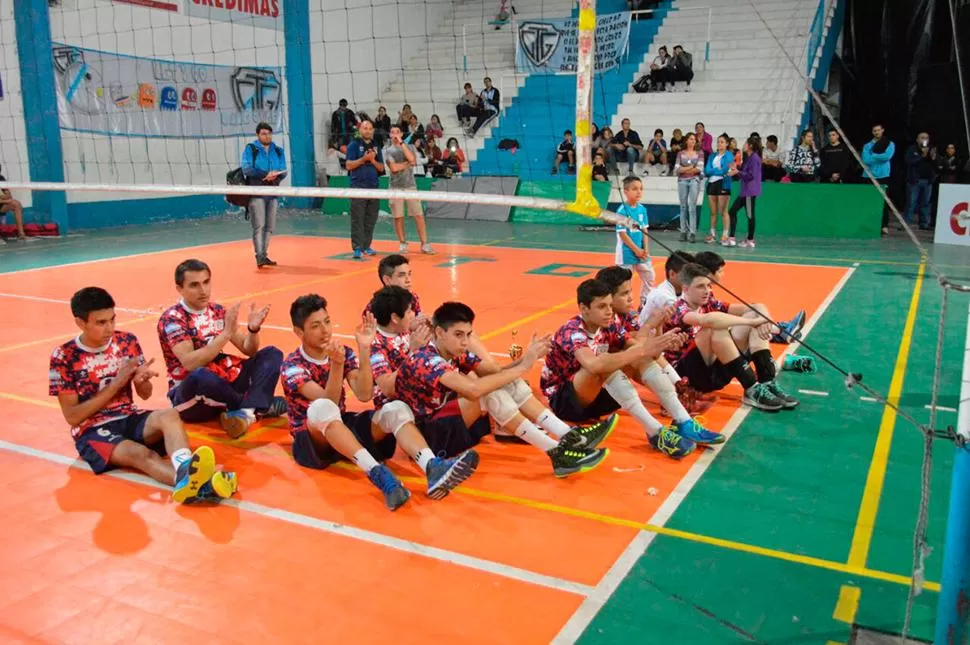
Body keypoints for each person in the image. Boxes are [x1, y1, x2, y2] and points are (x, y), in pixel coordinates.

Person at [280, 294, 478, 511]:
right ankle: (378, 474)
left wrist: (364, 348)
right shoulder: (292, 365)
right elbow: (329, 402)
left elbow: (364, 393)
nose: (325, 330)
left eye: (327, 322)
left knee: (395, 408)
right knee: (321, 409)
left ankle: (432, 466)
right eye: (316, 326)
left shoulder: (342, 352)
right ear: (299, 332)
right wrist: (337, 367)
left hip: (342, 427)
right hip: (311, 440)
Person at [50, 287, 237, 503]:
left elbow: (145, 395)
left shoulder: (126, 341)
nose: (109, 328)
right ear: (80, 323)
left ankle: (186, 468)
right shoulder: (63, 356)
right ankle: (203, 485)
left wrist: (142, 382)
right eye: (101, 323)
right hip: (92, 430)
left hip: (129, 417)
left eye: (112, 319)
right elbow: (73, 417)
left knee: (169, 415)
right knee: (140, 454)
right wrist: (118, 382)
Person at [395, 302, 614, 477]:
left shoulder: (454, 351)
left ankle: (567, 436)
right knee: (491, 392)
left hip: (447, 422)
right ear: (440, 333)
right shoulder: (426, 358)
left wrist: (527, 359)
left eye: (468, 335)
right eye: (459, 335)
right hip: (427, 435)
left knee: (503, 381)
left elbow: (495, 372)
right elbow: (472, 389)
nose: (465, 341)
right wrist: (524, 367)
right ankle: (557, 451)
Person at [540, 279, 699, 459]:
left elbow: (640, 350)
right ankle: (655, 431)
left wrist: (661, 343)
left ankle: (683, 420)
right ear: (584, 309)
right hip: (566, 402)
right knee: (603, 363)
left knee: (635, 358)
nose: (609, 311)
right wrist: (643, 346)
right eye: (601, 306)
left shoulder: (610, 324)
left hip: (597, 399)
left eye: (609, 305)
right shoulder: (572, 330)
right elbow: (593, 365)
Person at [158, 259, 285, 438]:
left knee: (272, 354)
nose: (203, 290)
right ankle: (256, 406)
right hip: (192, 396)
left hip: (223, 383)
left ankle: (246, 412)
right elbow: (190, 363)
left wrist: (253, 330)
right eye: (194, 285)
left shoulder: (217, 310)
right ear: (180, 289)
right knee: (200, 375)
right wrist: (225, 334)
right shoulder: (172, 319)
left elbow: (248, 349)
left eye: (206, 282)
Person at [595, 265, 724, 437]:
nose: (630, 298)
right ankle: (658, 431)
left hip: (611, 394)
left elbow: (646, 350)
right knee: (629, 360)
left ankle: (682, 415)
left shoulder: (623, 317)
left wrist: (660, 333)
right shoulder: (601, 321)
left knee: (641, 356)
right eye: (624, 294)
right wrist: (651, 325)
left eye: (630, 292)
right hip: (583, 400)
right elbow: (636, 351)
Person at [663, 263, 797, 411]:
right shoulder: (678, 309)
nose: (707, 291)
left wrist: (764, 319)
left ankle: (767, 381)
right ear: (686, 288)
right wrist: (753, 322)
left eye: (709, 285)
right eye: (701, 286)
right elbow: (708, 320)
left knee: (754, 314)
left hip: (712, 372)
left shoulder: (709, 302)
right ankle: (751, 387)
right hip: (688, 378)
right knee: (714, 329)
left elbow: (755, 307)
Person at [692, 251, 805, 345]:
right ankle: (780, 331)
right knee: (749, 323)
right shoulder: (696, 297)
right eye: (720, 271)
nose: (723, 274)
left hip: (719, 337)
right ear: (707, 274)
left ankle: (779, 331)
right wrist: (756, 321)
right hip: (711, 344)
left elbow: (753, 307)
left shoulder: (709, 296)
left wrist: (763, 319)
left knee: (756, 311)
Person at [241, 122, 287, 268]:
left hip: (273, 192)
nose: (267, 136)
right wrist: (264, 175)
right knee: (259, 225)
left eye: (269, 133)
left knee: (270, 226)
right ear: (258, 135)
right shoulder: (251, 149)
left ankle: (264, 254)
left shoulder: (278, 150)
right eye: (263, 133)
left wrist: (276, 176)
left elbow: (284, 170)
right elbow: (246, 169)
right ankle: (259, 255)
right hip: (257, 191)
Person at [383, 125, 435, 254]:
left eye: (397, 132)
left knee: (419, 215)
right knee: (398, 217)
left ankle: (424, 244)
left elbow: (413, 159)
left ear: (401, 134)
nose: (395, 135)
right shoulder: (388, 151)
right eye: (392, 132)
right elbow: (394, 168)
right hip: (395, 187)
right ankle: (402, 243)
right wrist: (406, 164)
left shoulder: (409, 147)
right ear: (389, 135)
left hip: (410, 186)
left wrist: (402, 144)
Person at [345, 120, 385, 259]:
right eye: (365, 128)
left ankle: (366, 246)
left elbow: (381, 168)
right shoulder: (354, 145)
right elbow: (349, 165)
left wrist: (372, 160)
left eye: (370, 128)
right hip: (358, 188)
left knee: (371, 219)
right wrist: (363, 159)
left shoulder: (376, 146)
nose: (367, 130)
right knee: (358, 219)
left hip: (373, 187)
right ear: (360, 129)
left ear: (373, 130)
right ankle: (357, 247)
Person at [614, 176, 655, 308]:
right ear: (625, 191)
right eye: (634, 189)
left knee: (649, 276)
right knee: (625, 282)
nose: (638, 192)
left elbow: (645, 230)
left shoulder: (642, 209)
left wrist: (646, 249)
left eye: (640, 189)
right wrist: (636, 250)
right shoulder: (622, 211)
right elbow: (622, 233)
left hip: (641, 252)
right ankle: (625, 307)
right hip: (627, 253)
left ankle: (644, 302)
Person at [726, 135, 763, 248]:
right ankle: (731, 237)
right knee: (732, 211)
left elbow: (751, 175)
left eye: (746, 144)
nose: (743, 146)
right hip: (745, 191)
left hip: (749, 192)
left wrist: (738, 172)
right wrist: (735, 170)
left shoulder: (755, 158)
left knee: (750, 215)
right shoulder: (748, 157)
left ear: (750, 146)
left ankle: (750, 240)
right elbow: (743, 172)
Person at [861, 124, 896, 235]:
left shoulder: (890, 144)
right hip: (868, 176)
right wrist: (878, 157)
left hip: (883, 175)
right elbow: (865, 160)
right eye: (874, 130)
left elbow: (887, 157)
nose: (876, 132)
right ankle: (868, 224)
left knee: (883, 201)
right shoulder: (867, 145)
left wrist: (873, 155)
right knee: (868, 201)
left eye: (878, 130)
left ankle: (884, 225)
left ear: (882, 130)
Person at [904, 132, 937, 230]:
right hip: (915, 180)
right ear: (917, 139)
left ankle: (924, 223)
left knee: (925, 203)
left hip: (927, 181)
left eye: (926, 138)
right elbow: (908, 161)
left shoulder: (931, 149)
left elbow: (935, 162)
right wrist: (922, 156)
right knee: (911, 202)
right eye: (922, 138)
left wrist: (931, 155)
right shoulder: (912, 149)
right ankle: (907, 223)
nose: (924, 139)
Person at [0, 166, 27, 242]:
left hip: (1, 204)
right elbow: (7, 198)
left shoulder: (1, 178)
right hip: (3, 202)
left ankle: (21, 234)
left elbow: (9, 195)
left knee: (16, 204)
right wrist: (5, 200)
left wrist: (4, 198)